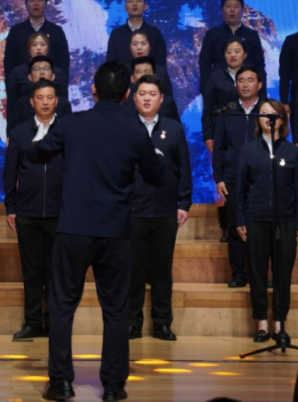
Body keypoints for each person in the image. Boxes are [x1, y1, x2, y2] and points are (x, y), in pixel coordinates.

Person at [31, 62, 174, 402]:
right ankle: (113, 386)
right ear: (126, 94)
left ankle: (61, 383)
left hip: (73, 228)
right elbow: (157, 176)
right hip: (115, 231)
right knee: (116, 310)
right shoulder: (135, 130)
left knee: (62, 306)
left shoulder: (72, 123)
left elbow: (38, 152)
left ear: (93, 90)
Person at [235, 99, 298, 344]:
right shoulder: (248, 150)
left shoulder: (291, 151)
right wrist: (240, 219)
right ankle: (262, 324)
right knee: (257, 273)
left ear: (282, 119)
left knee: (283, 274)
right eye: (263, 113)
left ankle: (279, 324)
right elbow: (240, 189)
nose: (267, 117)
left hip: (285, 221)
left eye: (272, 113)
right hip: (255, 219)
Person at [128, 75, 192, 342]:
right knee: (132, 271)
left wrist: (184, 203)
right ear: (134, 97)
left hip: (166, 211)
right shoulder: (125, 127)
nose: (147, 98)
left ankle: (162, 323)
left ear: (161, 98)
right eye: (142, 93)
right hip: (132, 211)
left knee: (162, 271)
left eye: (152, 94)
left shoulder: (173, 129)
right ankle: (132, 323)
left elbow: (183, 168)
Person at [3, 79, 65, 340]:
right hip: (27, 213)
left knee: (55, 271)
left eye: (50, 97)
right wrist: (11, 206)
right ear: (32, 102)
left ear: (56, 101)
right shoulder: (19, 133)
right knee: (31, 271)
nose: (45, 102)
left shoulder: (67, 130)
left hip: (60, 213)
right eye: (40, 97)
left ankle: (53, 322)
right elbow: (10, 172)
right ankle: (32, 322)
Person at [212, 66, 265, 287]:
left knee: (260, 229)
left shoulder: (267, 112)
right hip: (232, 179)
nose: (245, 84)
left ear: (259, 85)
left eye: (250, 80)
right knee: (236, 226)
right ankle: (238, 274)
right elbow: (219, 149)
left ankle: (260, 275)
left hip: (261, 180)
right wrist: (219, 178)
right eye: (241, 80)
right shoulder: (227, 113)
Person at [202, 38, 266, 149]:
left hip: (252, 129)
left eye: (237, 51)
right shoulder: (215, 77)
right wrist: (208, 136)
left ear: (245, 55)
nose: (233, 55)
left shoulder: (254, 75)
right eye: (229, 52)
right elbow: (208, 109)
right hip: (224, 131)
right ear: (224, 55)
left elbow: (262, 103)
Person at [4, 0, 71, 85]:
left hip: (51, 88)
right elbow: (9, 64)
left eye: (40, 0)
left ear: (46, 3)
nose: (36, 3)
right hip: (23, 88)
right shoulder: (16, 31)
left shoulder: (56, 31)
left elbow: (63, 64)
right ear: (26, 4)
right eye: (32, 0)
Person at [198, 0, 266, 88]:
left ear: (243, 11)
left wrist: (261, 92)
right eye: (228, 6)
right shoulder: (212, 34)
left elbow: (259, 65)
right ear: (222, 10)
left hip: (247, 89)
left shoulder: (252, 35)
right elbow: (205, 64)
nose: (232, 10)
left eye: (236, 6)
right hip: (219, 89)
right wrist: (206, 90)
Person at [6, 56, 73, 137]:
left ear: (53, 76)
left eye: (46, 69)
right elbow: (16, 134)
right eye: (37, 69)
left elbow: (69, 134)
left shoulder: (64, 104)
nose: (42, 72)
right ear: (30, 77)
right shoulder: (20, 104)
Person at [6, 32, 67, 115]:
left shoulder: (58, 73)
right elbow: (11, 103)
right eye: (34, 45)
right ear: (28, 49)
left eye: (42, 44)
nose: (38, 48)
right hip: (24, 117)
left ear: (48, 49)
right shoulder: (17, 72)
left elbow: (64, 102)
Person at [106, 0, 167, 66]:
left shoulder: (155, 33)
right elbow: (110, 65)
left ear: (145, 7)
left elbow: (160, 65)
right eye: (130, 1)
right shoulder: (116, 34)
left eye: (138, 0)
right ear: (125, 7)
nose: (134, 4)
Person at [122, 58, 181, 122]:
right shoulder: (123, 104)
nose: (143, 75)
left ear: (154, 76)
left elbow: (175, 127)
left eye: (147, 71)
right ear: (132, 78)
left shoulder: (167, 104)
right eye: (139, 72)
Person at [127, 29, 173, 96]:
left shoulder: (161, 72)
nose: (139, 47)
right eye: (135, 44)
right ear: (129, 47)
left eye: (143, 43)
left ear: (150, 47)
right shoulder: (122, 72)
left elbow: (168, 99)